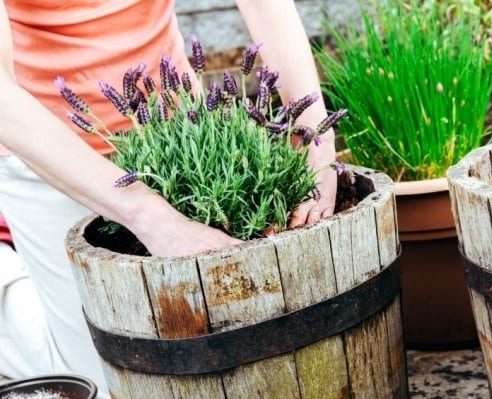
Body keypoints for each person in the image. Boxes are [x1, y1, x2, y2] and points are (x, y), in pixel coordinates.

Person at [0, 1, 337, 396]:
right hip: (52, 159)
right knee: (103, 383)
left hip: (175, 135)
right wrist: (154, 218)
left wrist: (317, 137)